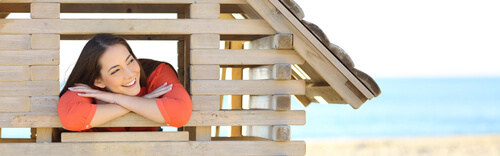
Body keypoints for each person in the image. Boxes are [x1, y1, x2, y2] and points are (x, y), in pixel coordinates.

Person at [58, 33, 192, 132]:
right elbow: (71, 119)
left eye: (130, 61)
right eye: (115, 71)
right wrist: (143, 100)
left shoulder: (156, 72)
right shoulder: (88, 88)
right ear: (98, 81)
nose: (130, 74)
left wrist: (115, 98)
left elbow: (181, 114)